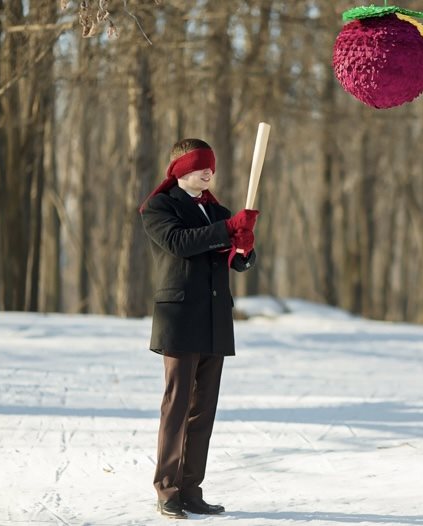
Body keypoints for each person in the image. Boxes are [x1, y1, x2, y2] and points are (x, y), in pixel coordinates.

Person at [139, 138, 259, 519]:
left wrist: (244, 248)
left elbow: (235, 264)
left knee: (202, 410)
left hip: (214, 319)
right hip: (180, 318)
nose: (208, 172)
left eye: (210, 166)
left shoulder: (217, 210)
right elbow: (178, 243)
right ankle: (167, 489)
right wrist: (228, 229)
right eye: (199, 166)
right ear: (179, 170)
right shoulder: (158, 207)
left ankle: (191, 488)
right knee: (177, 407)